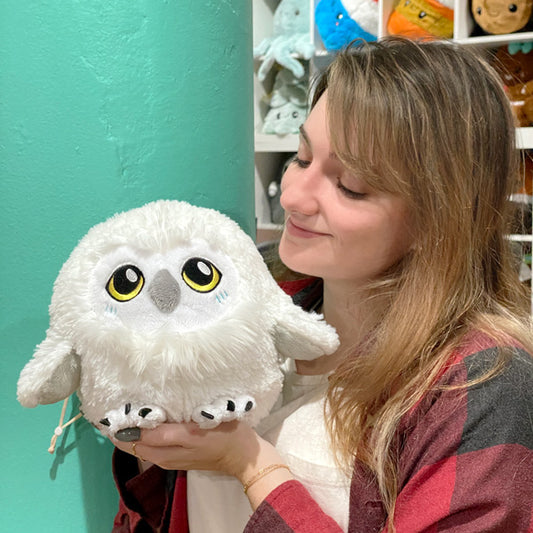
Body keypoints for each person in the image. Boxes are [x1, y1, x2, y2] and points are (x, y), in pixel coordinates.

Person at [111, 37, 533, 532]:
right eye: (302, 157)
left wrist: (250, 465)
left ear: (440, 219)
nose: (293, 196)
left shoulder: (482, 385)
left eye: (350, 186)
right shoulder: (246, 303)